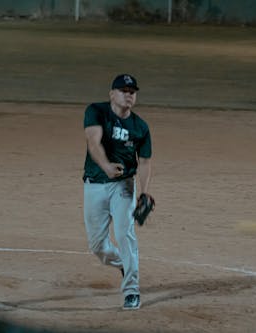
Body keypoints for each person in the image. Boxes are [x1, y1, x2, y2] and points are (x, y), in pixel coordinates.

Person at [82, 74, 153, 310]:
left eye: (132, 91)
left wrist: (144, 192)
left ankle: (131, 290)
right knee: (98, 247)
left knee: (125, 235)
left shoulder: (140, 127)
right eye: (123, 90)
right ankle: (124, 263)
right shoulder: (96, 111)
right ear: (112, 94)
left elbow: (144, 162)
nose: (129, 95)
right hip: (94, 184)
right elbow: (94, 142)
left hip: (123, 186)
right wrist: (106, 166)